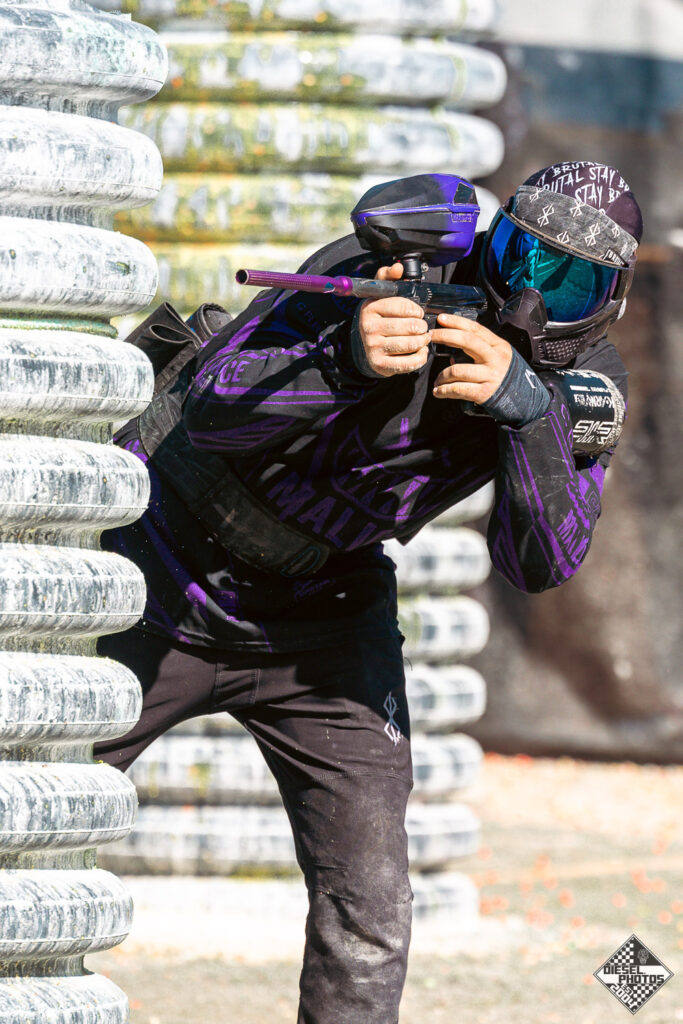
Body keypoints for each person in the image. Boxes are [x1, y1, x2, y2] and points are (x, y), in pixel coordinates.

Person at [94, 160, 641, 1024]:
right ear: (491, 237)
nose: (532, 299)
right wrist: (343, 356)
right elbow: (211, 410)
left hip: (327, 616)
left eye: (572, 282)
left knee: (370, 907)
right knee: (31, 811)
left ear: (611, 303)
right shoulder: (388, 267)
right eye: (521, 257)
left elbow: (539, 565)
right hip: (164, 568)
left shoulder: (583, 387)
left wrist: (526, 416)